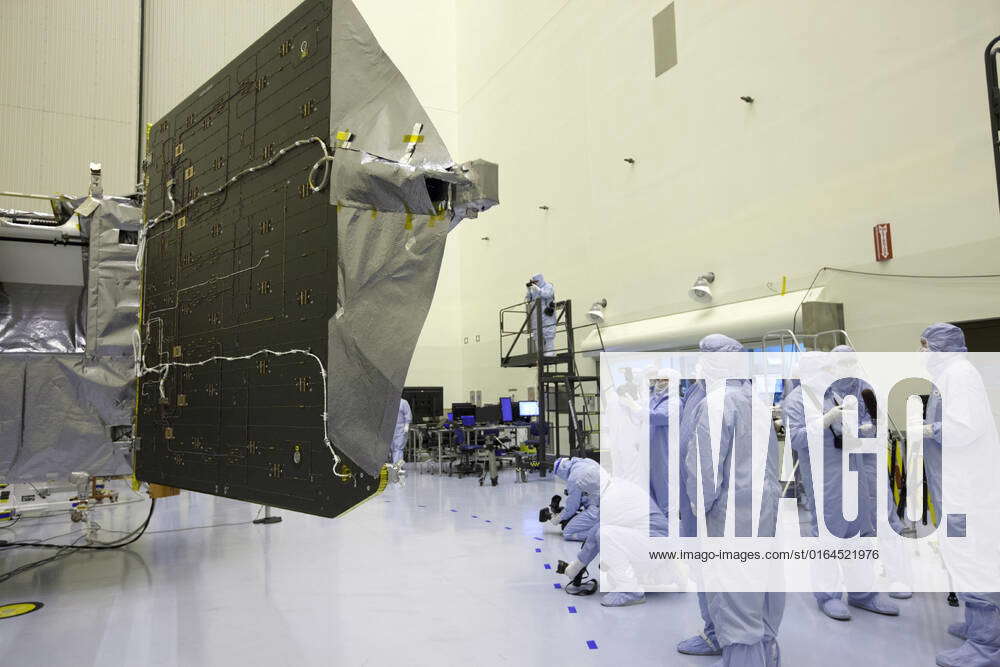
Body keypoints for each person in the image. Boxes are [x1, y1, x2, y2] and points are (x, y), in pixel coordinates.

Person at [782, 350, 898, 622]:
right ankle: (828, 596)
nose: (831, 375)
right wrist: (825, 420)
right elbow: (797, 440)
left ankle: (862, 593)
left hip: (852, 472)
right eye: (825, 370)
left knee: (857, 534)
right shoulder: (796, 401)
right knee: (827, 537)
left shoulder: (832, 395)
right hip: (825, 481)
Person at [919, 323, 1000, 667]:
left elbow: (965, 428)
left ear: (940, 346)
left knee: (972, 558)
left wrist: (930, 429)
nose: (920, 353)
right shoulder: (948, 375)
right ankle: (976, 625)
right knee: (962, 555)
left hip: (967, 489)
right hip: (957, 486)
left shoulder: (959, 374)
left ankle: (987, 645)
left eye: (924, 346)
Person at [551, 456, 600, 542]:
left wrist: (557, 518)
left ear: (562, 470)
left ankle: (601, 534)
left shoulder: (574, 479)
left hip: (597, 510)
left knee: (567, 533)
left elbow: (571, 508)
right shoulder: (586, 461)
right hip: (608, 501)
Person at [649, 377, 671, 518]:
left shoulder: (673, 402)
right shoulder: (654, 400)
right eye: (658, 379)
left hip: (664, 451)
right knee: (652, 490)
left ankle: (668, 525)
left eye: (665, 379)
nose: (660, 382)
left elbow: (660, 417)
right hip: (652, 452)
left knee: (664, 490)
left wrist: (636, 408)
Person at [525, 274, 556, 356]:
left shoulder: (548, 286)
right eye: (533, 282)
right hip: (535, 314)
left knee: (548, 331)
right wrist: (528, 289)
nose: (535, 283)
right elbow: (528, 300)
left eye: (536, 282)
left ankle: (550, 351)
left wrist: (537, 289)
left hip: (546, 313)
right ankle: (540, 352)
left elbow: (547, 295)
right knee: (536, 333)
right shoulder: (533, 289)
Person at [390, 398, 412, 465]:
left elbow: (408, 414)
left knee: (398, 448)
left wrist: (407, 425)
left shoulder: (403, 402)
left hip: (401, 428)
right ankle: (394, 466)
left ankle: (397, 467)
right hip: (390, 428)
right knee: (393, 448)